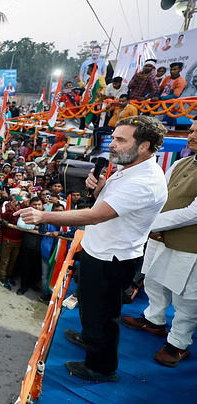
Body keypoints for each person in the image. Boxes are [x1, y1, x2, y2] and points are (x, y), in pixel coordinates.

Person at [17, 115, 168, 382]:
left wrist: (43, 217)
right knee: (90, 305)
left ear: (144, 146)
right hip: (98, 250)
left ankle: (101, 368)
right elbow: (108, 206)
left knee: (104, 315)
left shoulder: (144, 182)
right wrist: (99, 189)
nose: (112, 145)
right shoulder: (129, 168)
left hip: (112, 259)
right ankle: (89, 338)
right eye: (114, 138)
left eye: (121, 140)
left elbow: (96, 215)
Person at [121, 121, 197, 367]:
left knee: (186, 298)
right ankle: (154, 320)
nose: (192, 135)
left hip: (189, 246)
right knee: (153, 280)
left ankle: (178, 344)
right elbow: (159, 195)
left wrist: (151, 225)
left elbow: (192, 213)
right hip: (159, 236)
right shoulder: (181, 162)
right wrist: (153, 226)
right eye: (192, 130)